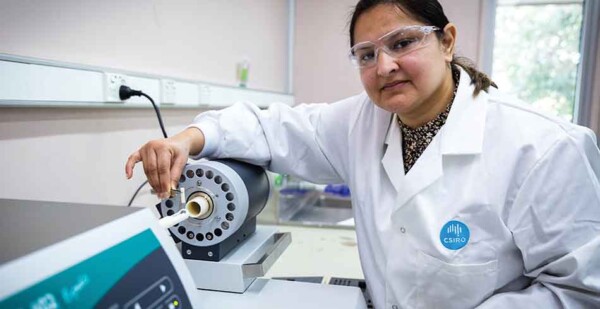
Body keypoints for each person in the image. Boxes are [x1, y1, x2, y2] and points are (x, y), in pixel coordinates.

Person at [125, 0, 600, 307]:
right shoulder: (359, 123)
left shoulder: (544, 147)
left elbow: (579, 292)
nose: (385, 65)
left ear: (447, 40)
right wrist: (185, 140)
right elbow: (269, 127)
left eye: (403, 42)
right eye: (366, 54)